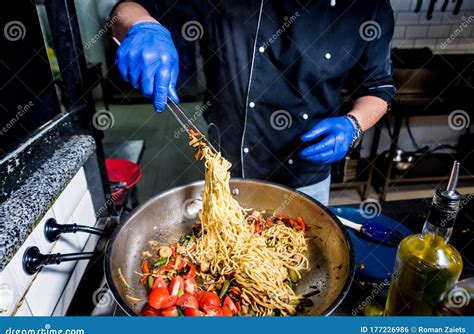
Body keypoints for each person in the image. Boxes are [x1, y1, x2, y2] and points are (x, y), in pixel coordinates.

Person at [111, 0, 395, 206]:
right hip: (229, 168)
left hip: (307, 176)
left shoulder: (369, 9)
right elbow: (127, 7)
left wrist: (353, 124)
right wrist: (142, 26)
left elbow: (378, 88)